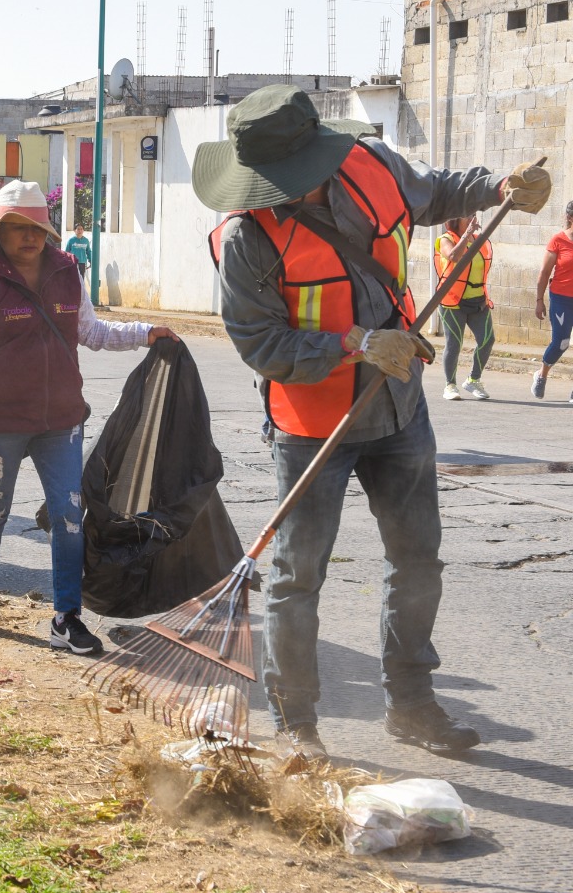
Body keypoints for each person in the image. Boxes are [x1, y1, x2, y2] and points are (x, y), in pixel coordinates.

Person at [200, 84, 550, 759]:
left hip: (399, 409)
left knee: (417, 561)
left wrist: (498, 184)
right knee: (299, 577)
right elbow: (260, 345)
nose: (285, 192)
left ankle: (413, 705)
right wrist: (355, 344)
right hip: (310, 427)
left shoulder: (374, 165)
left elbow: (439, 193)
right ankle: (298, 725)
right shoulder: (246, 239)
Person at [0, 180, 174, 648]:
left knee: (69, 516)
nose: (29, 237)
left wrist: (145, 333)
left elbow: (92, 333)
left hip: (60, 423)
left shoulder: (67, 273)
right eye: (17, 227)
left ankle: (66, 617)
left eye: (36, 227)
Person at [433, 215, 494, 400]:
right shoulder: (446, 239)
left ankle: (473, 379)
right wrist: (466, 235)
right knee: (454, 344)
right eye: (467, 216)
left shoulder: (479, 241)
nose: (471, 218)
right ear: (455, 220)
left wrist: (484, 295)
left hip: (478, 300)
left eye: (472, 215)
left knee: (487, 340)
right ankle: (450, 385)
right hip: (453, 301)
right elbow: (453, 256)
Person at [531, 201, 573, 401]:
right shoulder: (558, 240)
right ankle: (542, 374)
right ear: (570, 218)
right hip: (561, 298)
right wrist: (539, 300)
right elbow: (544, 272)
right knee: (561, 342)